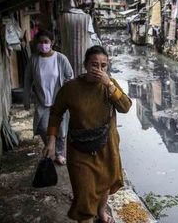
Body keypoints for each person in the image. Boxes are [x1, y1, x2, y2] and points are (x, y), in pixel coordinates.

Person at [43, 45, 132, 223]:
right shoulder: (70, 88)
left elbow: (126, 107)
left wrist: (109, 85)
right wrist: (51, 141)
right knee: (83, 193)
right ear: (85, 65)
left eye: (103, 65)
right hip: (80, 149)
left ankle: (101, 211)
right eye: (94, 64)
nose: (99, 70)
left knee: (106, 180)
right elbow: (56, 113)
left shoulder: (110, 85)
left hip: (107, 145)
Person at [24, 29, 73, 165]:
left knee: (62, 130)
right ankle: (49, 146)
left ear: (52, 42)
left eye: (46, 42)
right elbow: (27, 79)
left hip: (59, 101)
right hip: (42, 101)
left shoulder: (60, 58)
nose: (43, 45)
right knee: (42, 128)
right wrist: (26, 99)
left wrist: (66, 91)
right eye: (40, 42)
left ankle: (58, 153)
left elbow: (70, 75)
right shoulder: (34, 59)